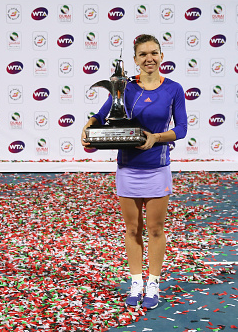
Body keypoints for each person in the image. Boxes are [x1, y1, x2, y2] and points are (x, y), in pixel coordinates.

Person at [80, 34, 187, 310]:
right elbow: (102, 114)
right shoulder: (125, 88)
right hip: (128, 168)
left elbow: (182, 128)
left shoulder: (174, 89)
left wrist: (157, 138)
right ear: (135, 59)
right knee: (132, 229)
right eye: (143, 54)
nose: (149, 58)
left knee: (155, 229)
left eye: (154, 53)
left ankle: (153, 282)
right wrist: (88, 127)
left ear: (162, 56)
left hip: (157, 168)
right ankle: (136, 281)